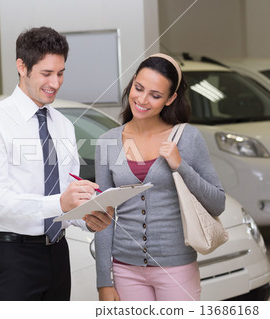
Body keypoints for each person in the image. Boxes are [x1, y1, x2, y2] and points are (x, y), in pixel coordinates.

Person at [0, 26, 113, 301]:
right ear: (21, 66)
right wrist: (60, 203)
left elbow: (68, 190)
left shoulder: (62, 125)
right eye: (46, 74)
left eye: (60, 73)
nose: (56, 83)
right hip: (12, 258)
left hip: (58, 254)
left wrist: (88, 218)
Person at [94, 53, 226, 301]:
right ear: (132, 82)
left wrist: (180, 165)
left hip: (176, 269)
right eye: (139, 88)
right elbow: (104, 215)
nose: (142, 100)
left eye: (155, 95)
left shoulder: (187, 137)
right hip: (125, 270)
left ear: (170, 99)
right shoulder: (107, 142)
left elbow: (218, 203)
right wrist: (104, 279)